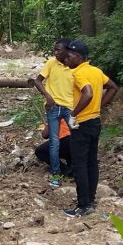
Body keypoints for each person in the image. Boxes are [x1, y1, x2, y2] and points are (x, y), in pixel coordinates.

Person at [63, 39, 119, 217]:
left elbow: (87, 93)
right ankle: (91, 200)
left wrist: (73, 114)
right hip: (95, 121)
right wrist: (99, 106)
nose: (67, 59)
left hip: (82, 123)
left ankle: (83, 205)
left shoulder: (79, 73)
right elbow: (112, 87)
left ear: (79, 57)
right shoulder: (96, 71)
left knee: (79, 164)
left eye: (70, 56)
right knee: (91, 162)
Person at [33, 38, 75, 187]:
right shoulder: (51, 63)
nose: (55, 52)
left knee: (76, 139)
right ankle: (57, 174)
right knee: (54, 144)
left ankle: (77, 169)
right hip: (54, 106)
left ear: (67, 51)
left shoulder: (74, 66)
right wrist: (48, 96)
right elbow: (37, 81)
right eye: (55, 50)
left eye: (58, 50)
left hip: (70, 108)